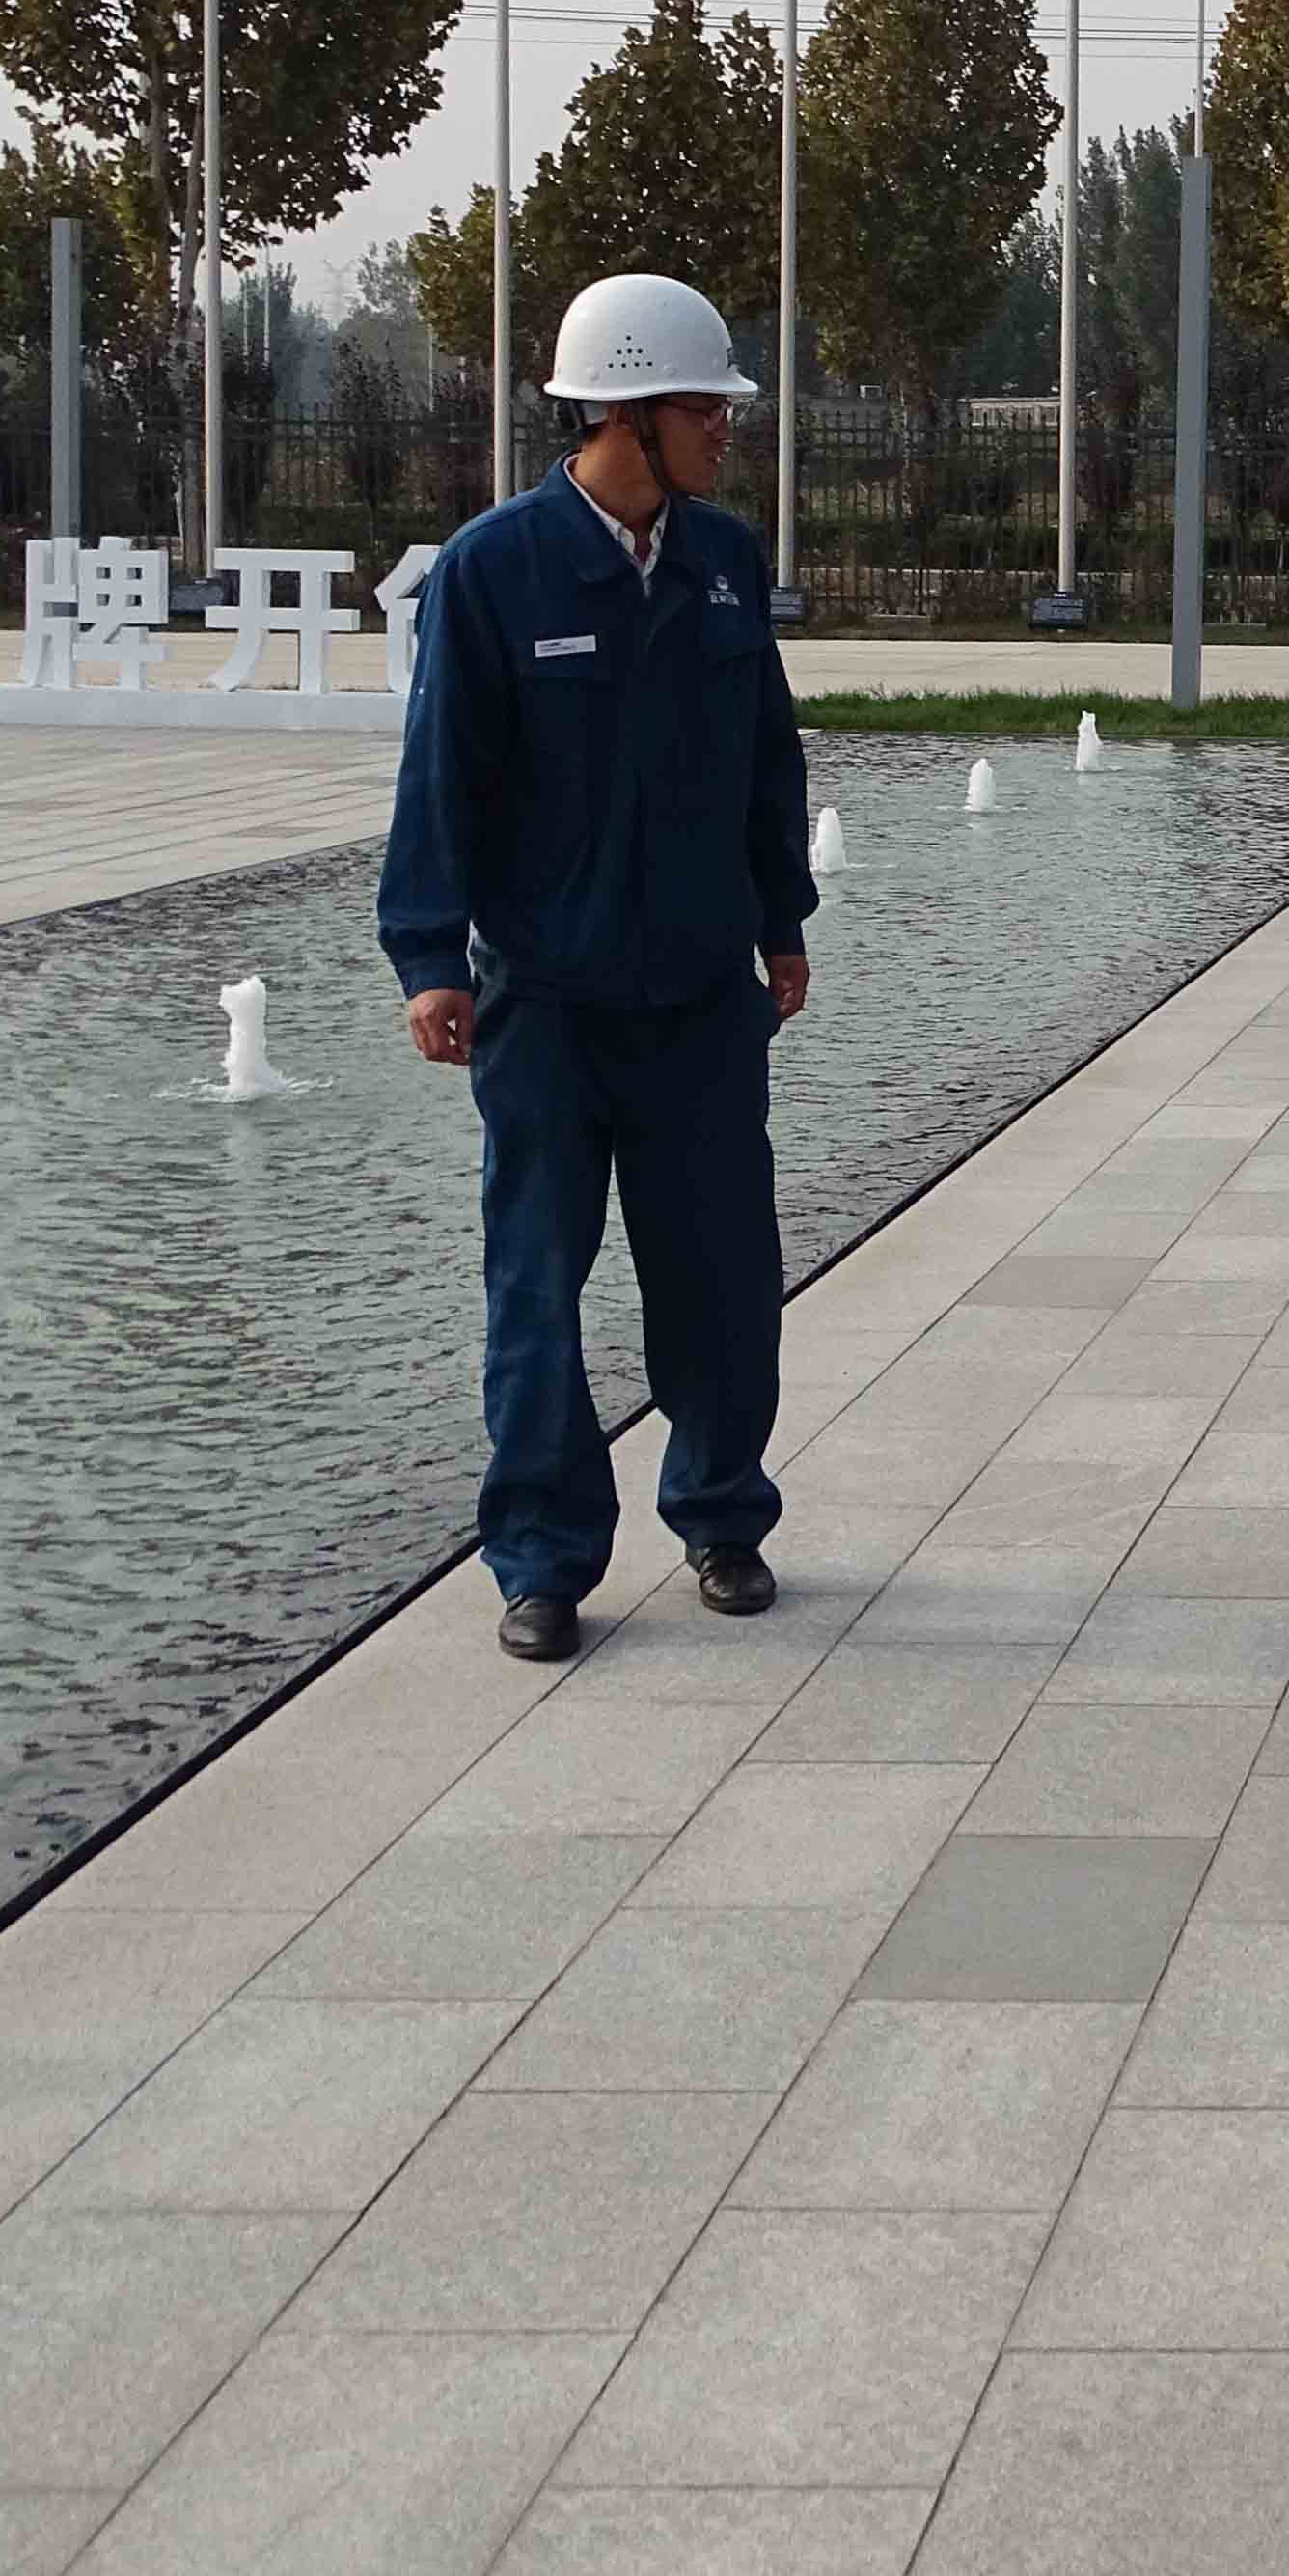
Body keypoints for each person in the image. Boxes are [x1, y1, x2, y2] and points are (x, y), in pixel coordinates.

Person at [380, 272, 817, 1665]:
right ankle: (543, 1561)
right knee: (535, 1290)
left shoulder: (724, 560)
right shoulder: (493, 570)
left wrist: (782, 918)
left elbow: (767, 756)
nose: (726, 430)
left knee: (723, 1279)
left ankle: (722, 1518)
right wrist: (429, 957)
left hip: (698, 1001)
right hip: (547, 1007)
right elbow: (440, 774)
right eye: (705, 410)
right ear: (626, 417)